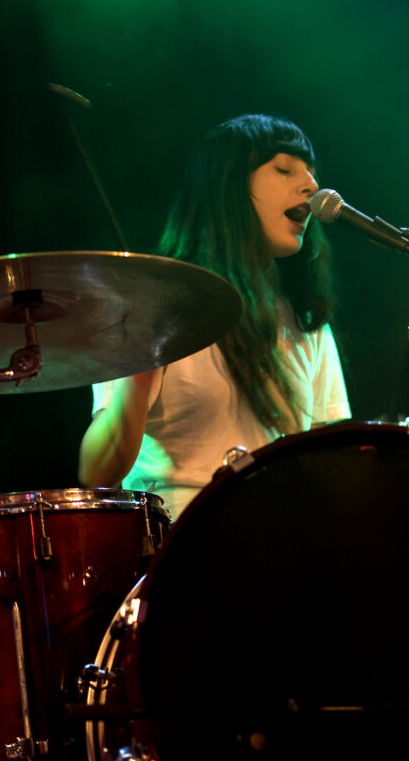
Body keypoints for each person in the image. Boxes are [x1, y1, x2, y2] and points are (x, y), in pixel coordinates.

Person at [78, 113, 351, 518]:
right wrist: (137, 378)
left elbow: (331, 460)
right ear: (230, 185)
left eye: (311, 172)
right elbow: (96, 473)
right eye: (284, 169)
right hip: (179, 543)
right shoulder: (157, 301)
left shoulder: (305, 318)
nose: (312, 185)